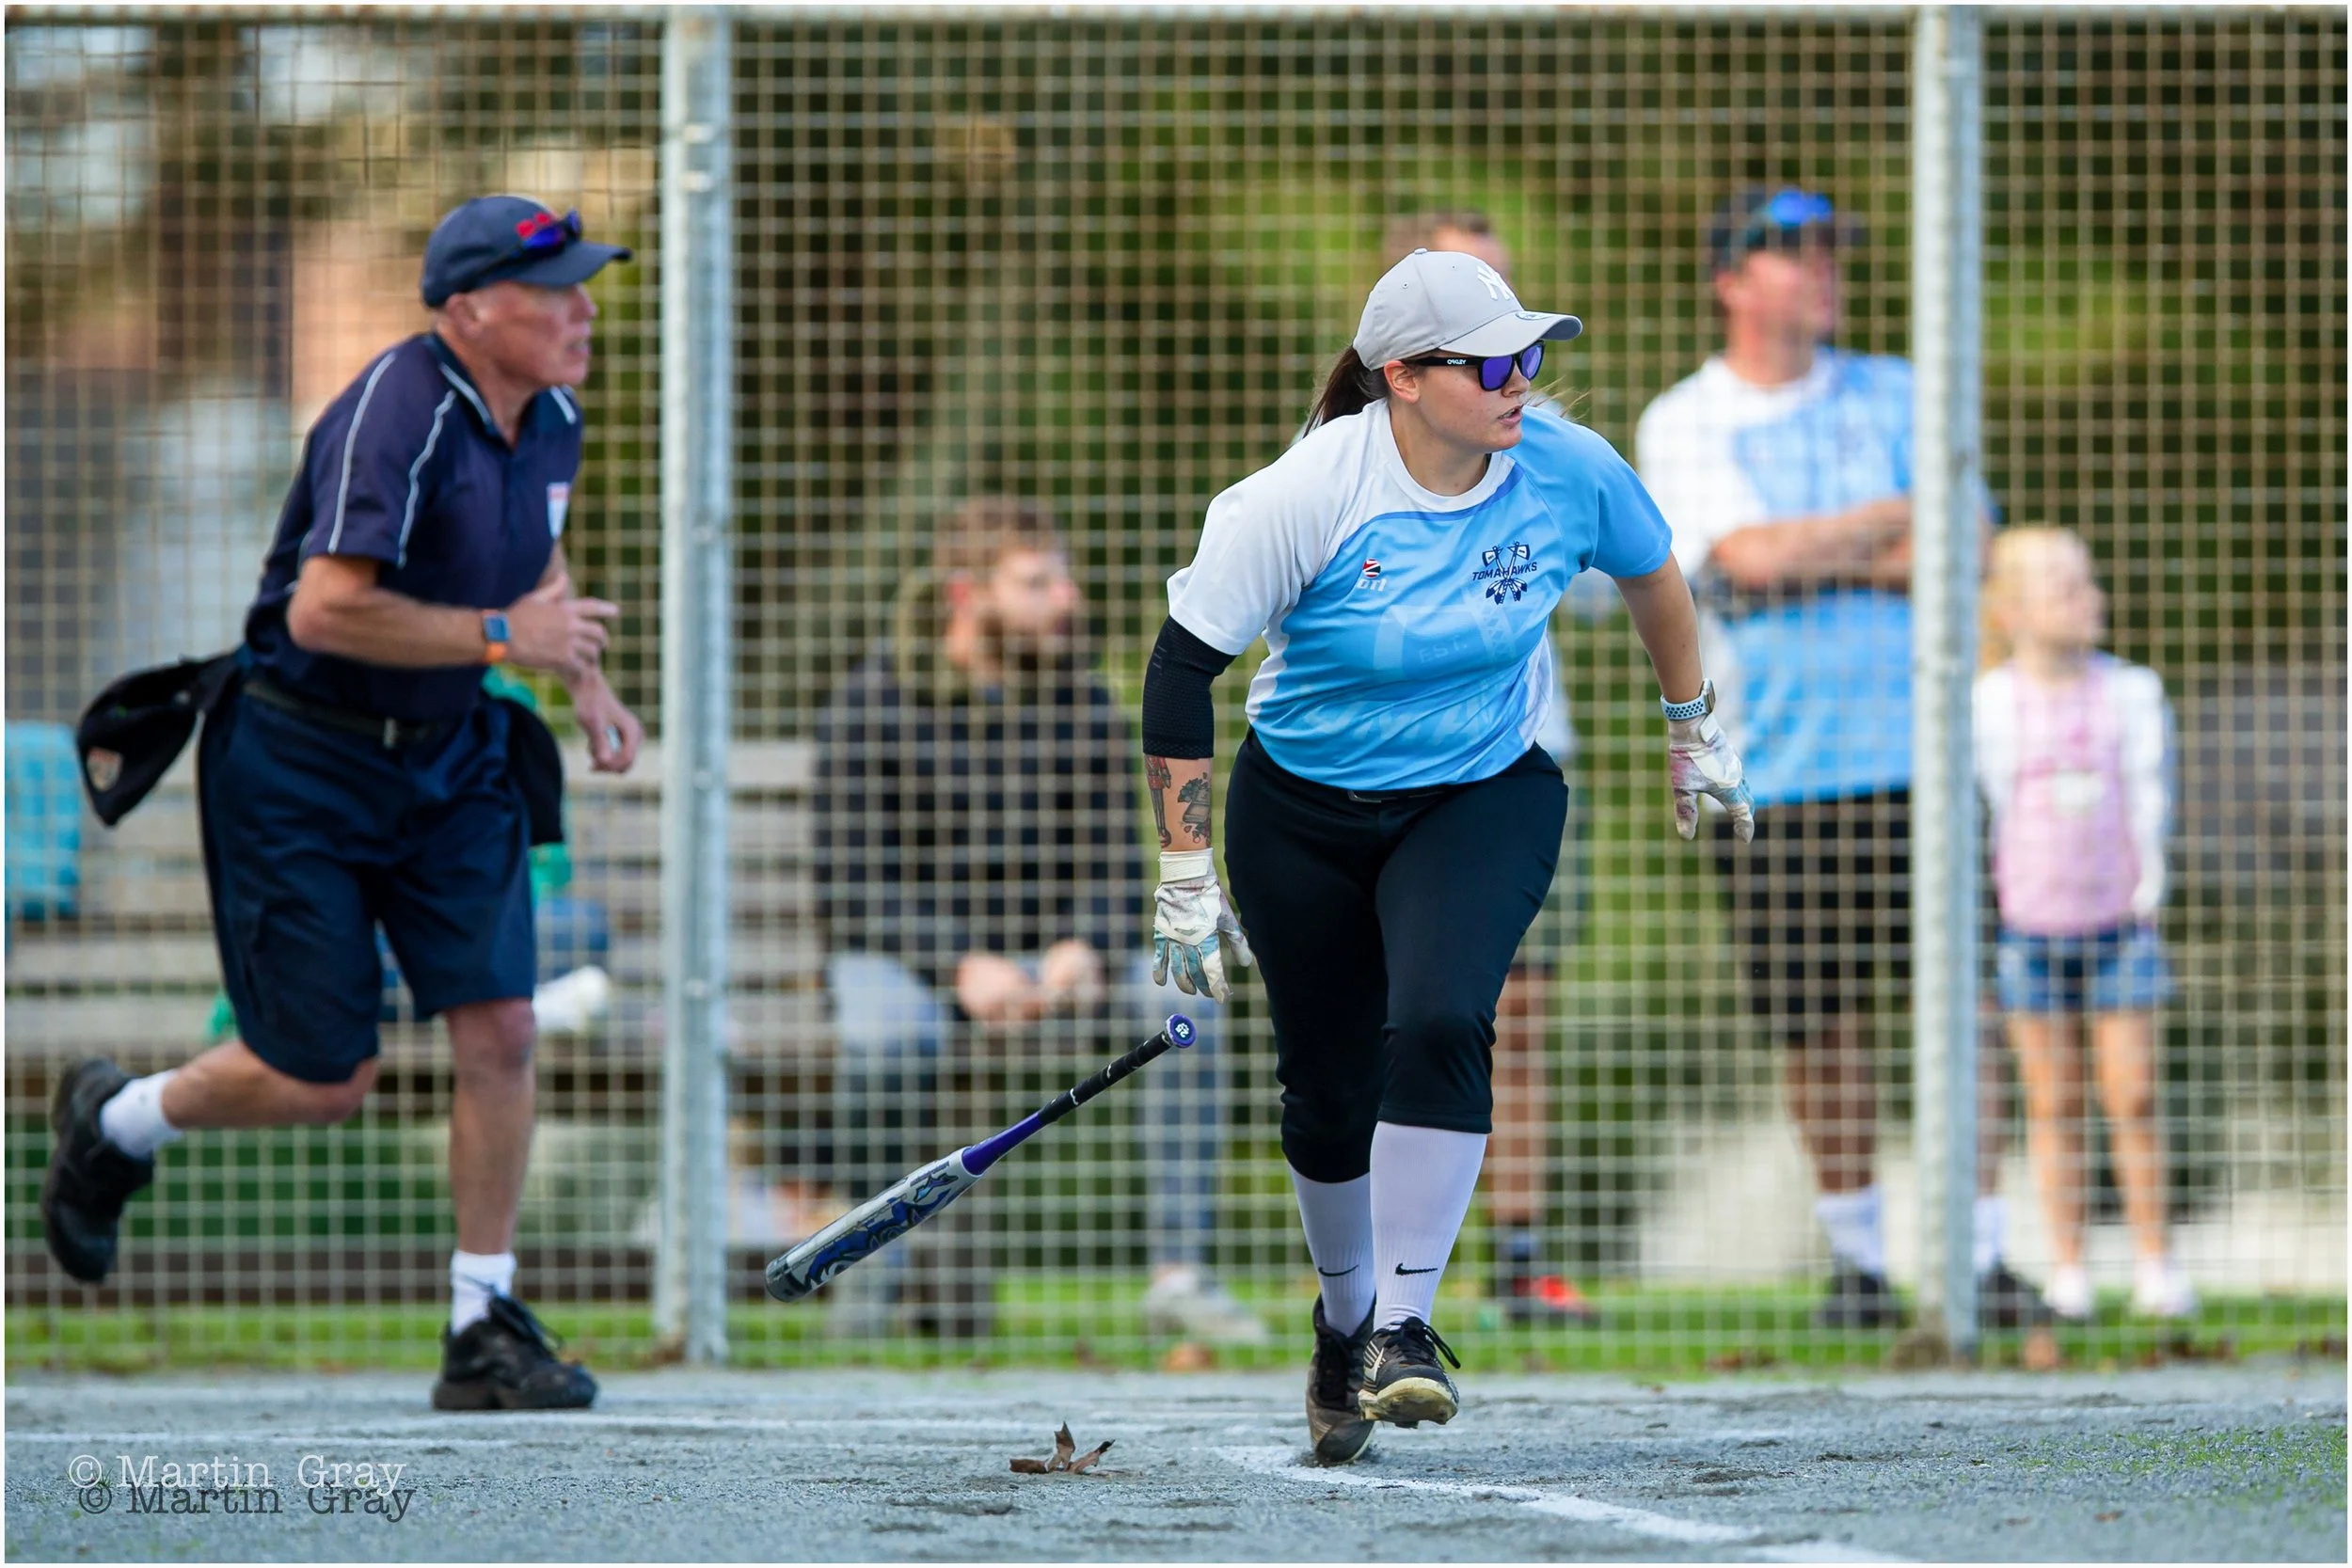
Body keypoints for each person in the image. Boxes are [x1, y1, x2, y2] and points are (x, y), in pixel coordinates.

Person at [1141, 248, 1753, 1465]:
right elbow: (1178, 673)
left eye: (1528, 353)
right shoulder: (1302, 494)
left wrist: (1691, 726)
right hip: (1301, 808)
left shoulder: (1567, 468)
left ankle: (1404, 1327)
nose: (1520, 379)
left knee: (1438, 1018)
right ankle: (1345, 1320)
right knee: (1326, 1088)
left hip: (1482, 790)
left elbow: (1653, 575)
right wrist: (1186, 875)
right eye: (1490, 362)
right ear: (1404, 378)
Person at [39, 196, 642, 1410]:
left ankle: (480, 1324)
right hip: (301, 762)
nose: (583, 310)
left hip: (452, 755)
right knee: (323, 1076)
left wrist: (582, 677)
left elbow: (533, 555)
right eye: (553, 292)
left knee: (502, 1029)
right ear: (470, 311)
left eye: (584, 283)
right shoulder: (397, 410)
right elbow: (325, 609)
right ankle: (119, 1119)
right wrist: (503, 636)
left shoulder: (554, 415)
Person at [1634, 187, 2041, 1330]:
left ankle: (1979, 1255)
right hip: (1772, 766)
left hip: (1922, 755)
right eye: (1791, 253)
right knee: (1816, 1020)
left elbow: (1967, 542)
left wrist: (1819, 551)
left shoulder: (1900, 390)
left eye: (1828, 251)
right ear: (1730, 281)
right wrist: (1890, 521)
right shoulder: (1687, 419)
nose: (1821, 269)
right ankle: (1859, 1261)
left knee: (1965, 1001)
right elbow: (1742, 557)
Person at [812, 498, 1267, 1345]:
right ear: (965, 594)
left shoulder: (1081, 701)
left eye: (1061, 577)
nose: (1066, 598)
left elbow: (1113, 859)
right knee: (885, 1036)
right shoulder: (871, 703)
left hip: (1051, 960)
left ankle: (1179, 1276)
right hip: (907, 960)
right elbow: (851, 886)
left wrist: (1084, 945)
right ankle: (869, 1268)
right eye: (1035, 582)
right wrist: (958, 964)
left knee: (1185, 1007)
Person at [1377, 211, 1598, 1324]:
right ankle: (1375, 1266)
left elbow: (1608, 576)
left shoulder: (1547, 442)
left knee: (1520, 1015)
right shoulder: (1349, 450)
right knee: (1388, 1014)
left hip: (1521, 763)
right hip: (1390, 774)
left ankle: (1516, 1250)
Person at [1976, 528, 2194, 1323]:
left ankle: (2155, 1262)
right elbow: (1990, 802)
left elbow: (2150, 792)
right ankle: (2067, 1266)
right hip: (2029, 929)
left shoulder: (2130, 691)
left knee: (2133, 1094)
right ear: (2013, 610)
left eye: (2089, 583)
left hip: (2118, 924)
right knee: (2053, 1100)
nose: (2090, 598)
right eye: (2068, 588)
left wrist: (2148, 890)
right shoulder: (1992, 702)